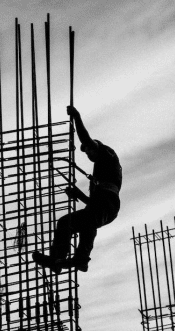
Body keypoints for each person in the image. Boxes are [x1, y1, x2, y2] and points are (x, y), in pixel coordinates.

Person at [32, 105, 122, 273]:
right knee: (67, 223)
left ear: (97, 147)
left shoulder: (108, 156)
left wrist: (76, 117)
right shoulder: (98, 173)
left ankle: (81, 258)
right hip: (102, 206)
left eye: (90, 150)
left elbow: (86, 140)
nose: (88, 154)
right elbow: (93, 204)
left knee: (88, 221)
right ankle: (57, 259)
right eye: (86, 153)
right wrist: (78, 194)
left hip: (108, 204)